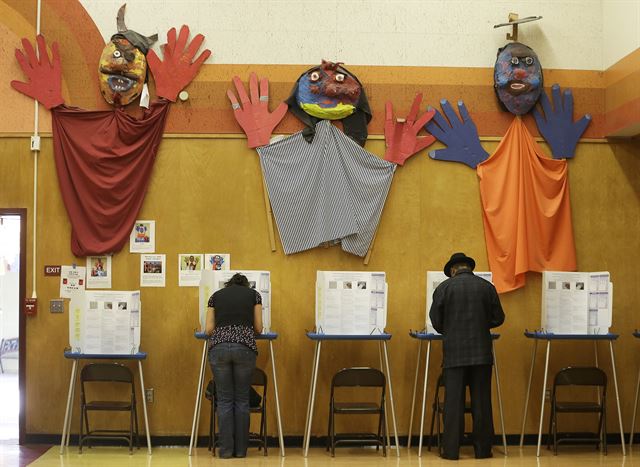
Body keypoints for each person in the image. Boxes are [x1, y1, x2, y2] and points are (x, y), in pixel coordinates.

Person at [429, 252, 505, 460]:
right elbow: (499, 318)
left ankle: (451, 451)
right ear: (468, 268)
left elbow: (436, 322)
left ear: (453, 270)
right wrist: (482, 323)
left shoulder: (444, 288)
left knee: (453, 404)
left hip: (454, 354)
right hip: (481, 354)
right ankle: (483, 450)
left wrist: (451, 328)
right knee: (482, 403)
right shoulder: (486, 287)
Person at [206, 273, 263, 458]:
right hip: (244, 348)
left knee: (224, 401)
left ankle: (226, 451)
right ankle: (241, 452)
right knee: (241, 400)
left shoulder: (215, 296)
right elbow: (259, 328)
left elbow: (208, 329)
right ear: (246, 285)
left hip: (219, 348)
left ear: (228, 285)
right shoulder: (254, 295)